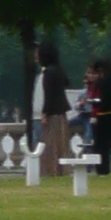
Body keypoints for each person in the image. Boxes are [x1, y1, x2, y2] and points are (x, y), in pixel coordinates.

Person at [34, 39, 70, 177]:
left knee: (50, 145)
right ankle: (61, 170)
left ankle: (51, 169)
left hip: (52, 113)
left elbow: (48, 95)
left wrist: (45, 113)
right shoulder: (58, 70)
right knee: (60, 144)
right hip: (60, 113)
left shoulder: (48, 73)